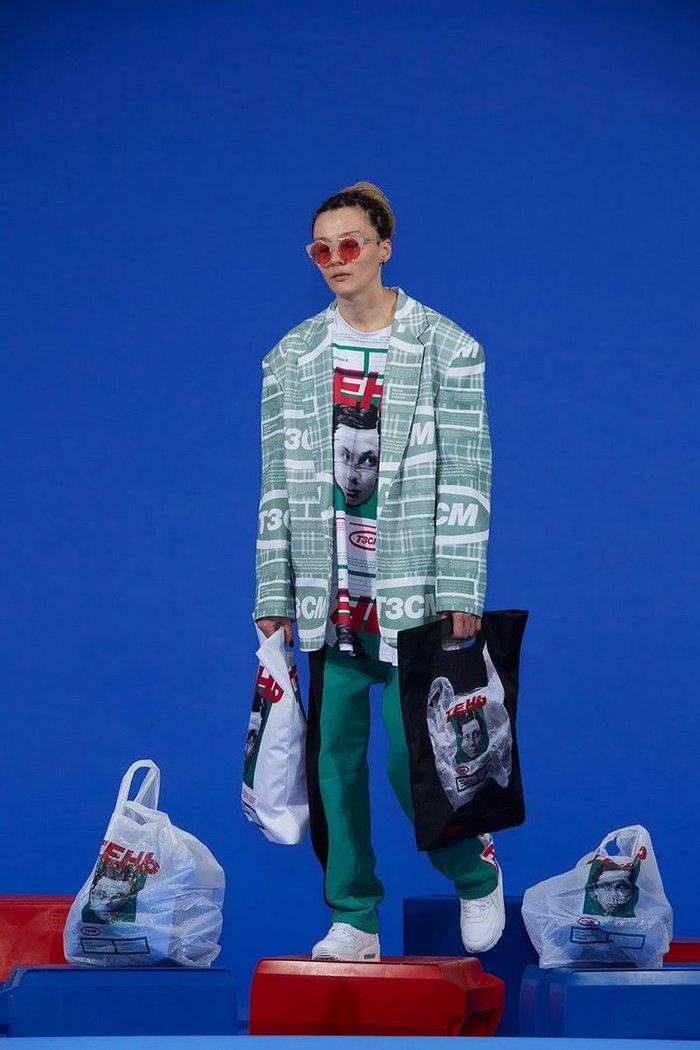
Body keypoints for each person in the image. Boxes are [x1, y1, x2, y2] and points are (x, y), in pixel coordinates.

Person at [254, 182, 499, 961]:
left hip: (415, 592)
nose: (337, 259)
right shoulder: (290, 358)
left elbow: (468, 473)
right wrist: (273, 591)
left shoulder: (449, 349)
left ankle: (473, 871)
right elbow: (275, 484)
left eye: (351, 244)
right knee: (332, 764)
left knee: (414, 757)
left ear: (384, 248)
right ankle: (353, 917)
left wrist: (460, 589)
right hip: (329, 595)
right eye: (321, 249)